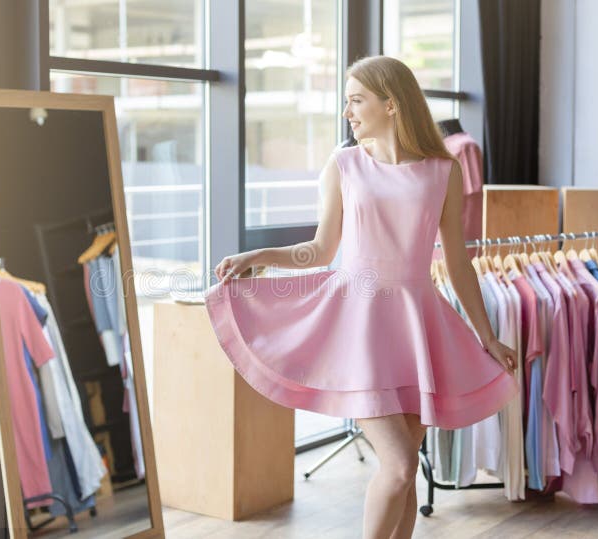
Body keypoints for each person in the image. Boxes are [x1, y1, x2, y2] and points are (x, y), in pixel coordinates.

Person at [203, 55, 519, 539]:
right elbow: (320, 249)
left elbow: (457, 264)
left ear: (391, 103)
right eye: (347, 101)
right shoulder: (344, 164)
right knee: (397, 466)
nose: (348, 111)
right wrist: (258, 255)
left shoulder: (443, 171)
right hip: (359, 324)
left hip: (418, 324)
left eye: (356, 100)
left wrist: (488, 337)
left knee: (406, 471)